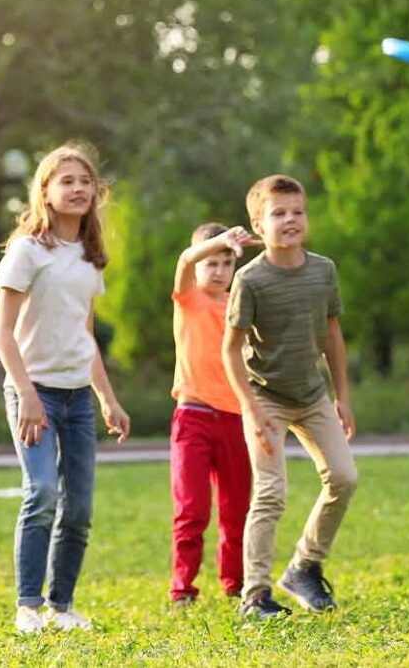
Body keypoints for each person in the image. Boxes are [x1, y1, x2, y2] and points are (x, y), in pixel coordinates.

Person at [0, 142, 130, 634]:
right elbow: (2, 333)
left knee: (80, 508)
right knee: (42, 493)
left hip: (77, 397)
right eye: (66, 181)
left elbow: (85, 335)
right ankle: (27, 606)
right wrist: (26, 393)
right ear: (45, 192)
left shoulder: (91, 258)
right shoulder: (28, 251)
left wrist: (107, 398)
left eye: (85, 182)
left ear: (96, 193)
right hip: (35, 393)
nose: (77, 189)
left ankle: (62, 606)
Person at [223, 174, 358, 619]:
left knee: (343, 478)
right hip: (266, 399)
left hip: (312, 394)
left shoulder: (324, 270)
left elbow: (333, 337)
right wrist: (251, 409)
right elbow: (229, 350)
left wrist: (342, 396)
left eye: (297, 211)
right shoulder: (250, 279)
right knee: (270, 494)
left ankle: (305, 566)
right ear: (258, 225)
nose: (290, 220)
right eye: (278, 214)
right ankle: (255, 595)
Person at [168, 222, 261, 605]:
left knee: (237, 510)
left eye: (227, 262)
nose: (219, 270)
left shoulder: (240, 310)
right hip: (193, 418)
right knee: (191, 510)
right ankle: (183, 588)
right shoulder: (188, 299)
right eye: (212, 262)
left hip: (237, 420)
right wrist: (214, 245)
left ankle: (234, 583)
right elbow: (186, 259)